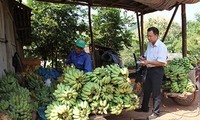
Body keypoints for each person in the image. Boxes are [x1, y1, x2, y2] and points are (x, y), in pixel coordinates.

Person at [135, 27, 168, 119]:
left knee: (156, 92)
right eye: (148, 36)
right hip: (149, 70)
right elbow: (147, 56)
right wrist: (143, 58)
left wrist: (148, 62)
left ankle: (156, 112)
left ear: (156, 35)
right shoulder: (149, 45)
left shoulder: (162, 46)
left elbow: (162, 62)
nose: (149, 38)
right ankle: (144, 108)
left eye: (150, 36)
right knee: (147, 89)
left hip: (157, 71)